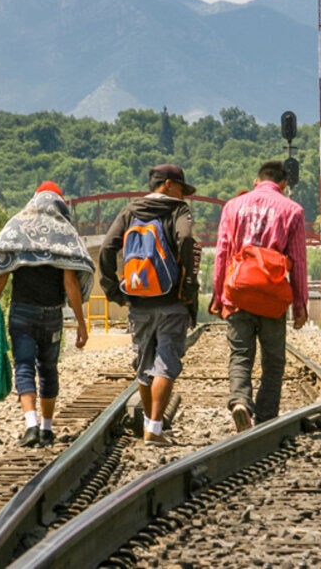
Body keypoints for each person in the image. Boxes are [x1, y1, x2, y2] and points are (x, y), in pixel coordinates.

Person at [0, 181, 93, 448]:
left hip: (21, 313)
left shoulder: (18, 227)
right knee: (48, 369)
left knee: (24, 366)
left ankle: (31, 425)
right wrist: (82, 323)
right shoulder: (65, 232)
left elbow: (2, 270)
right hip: (51, 315)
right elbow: (71, 283)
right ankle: (47, 429)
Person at [98, 164, 201, 446]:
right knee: (166, 362)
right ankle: (154, 429)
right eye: (181, 187)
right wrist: (189, 282)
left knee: (144, 365)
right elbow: (187, 239)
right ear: (168, 184)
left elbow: (108, 247)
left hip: (138, 300)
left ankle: (148, 423)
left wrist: (112, 289)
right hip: (171, 300)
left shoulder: (130, 210)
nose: (184, 194)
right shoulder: (178, 210)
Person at [209, 161, 309, 432]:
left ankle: (240, 401)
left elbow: (222, 253)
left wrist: (218, 295)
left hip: (238, 292)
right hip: (272, 297)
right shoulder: (293, 210)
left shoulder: (232, 206)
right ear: (284, 184)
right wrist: (300, 304)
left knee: (240, 354)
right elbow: (298, 260)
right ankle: (266, 420)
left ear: (256, 181)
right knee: (273, 360)